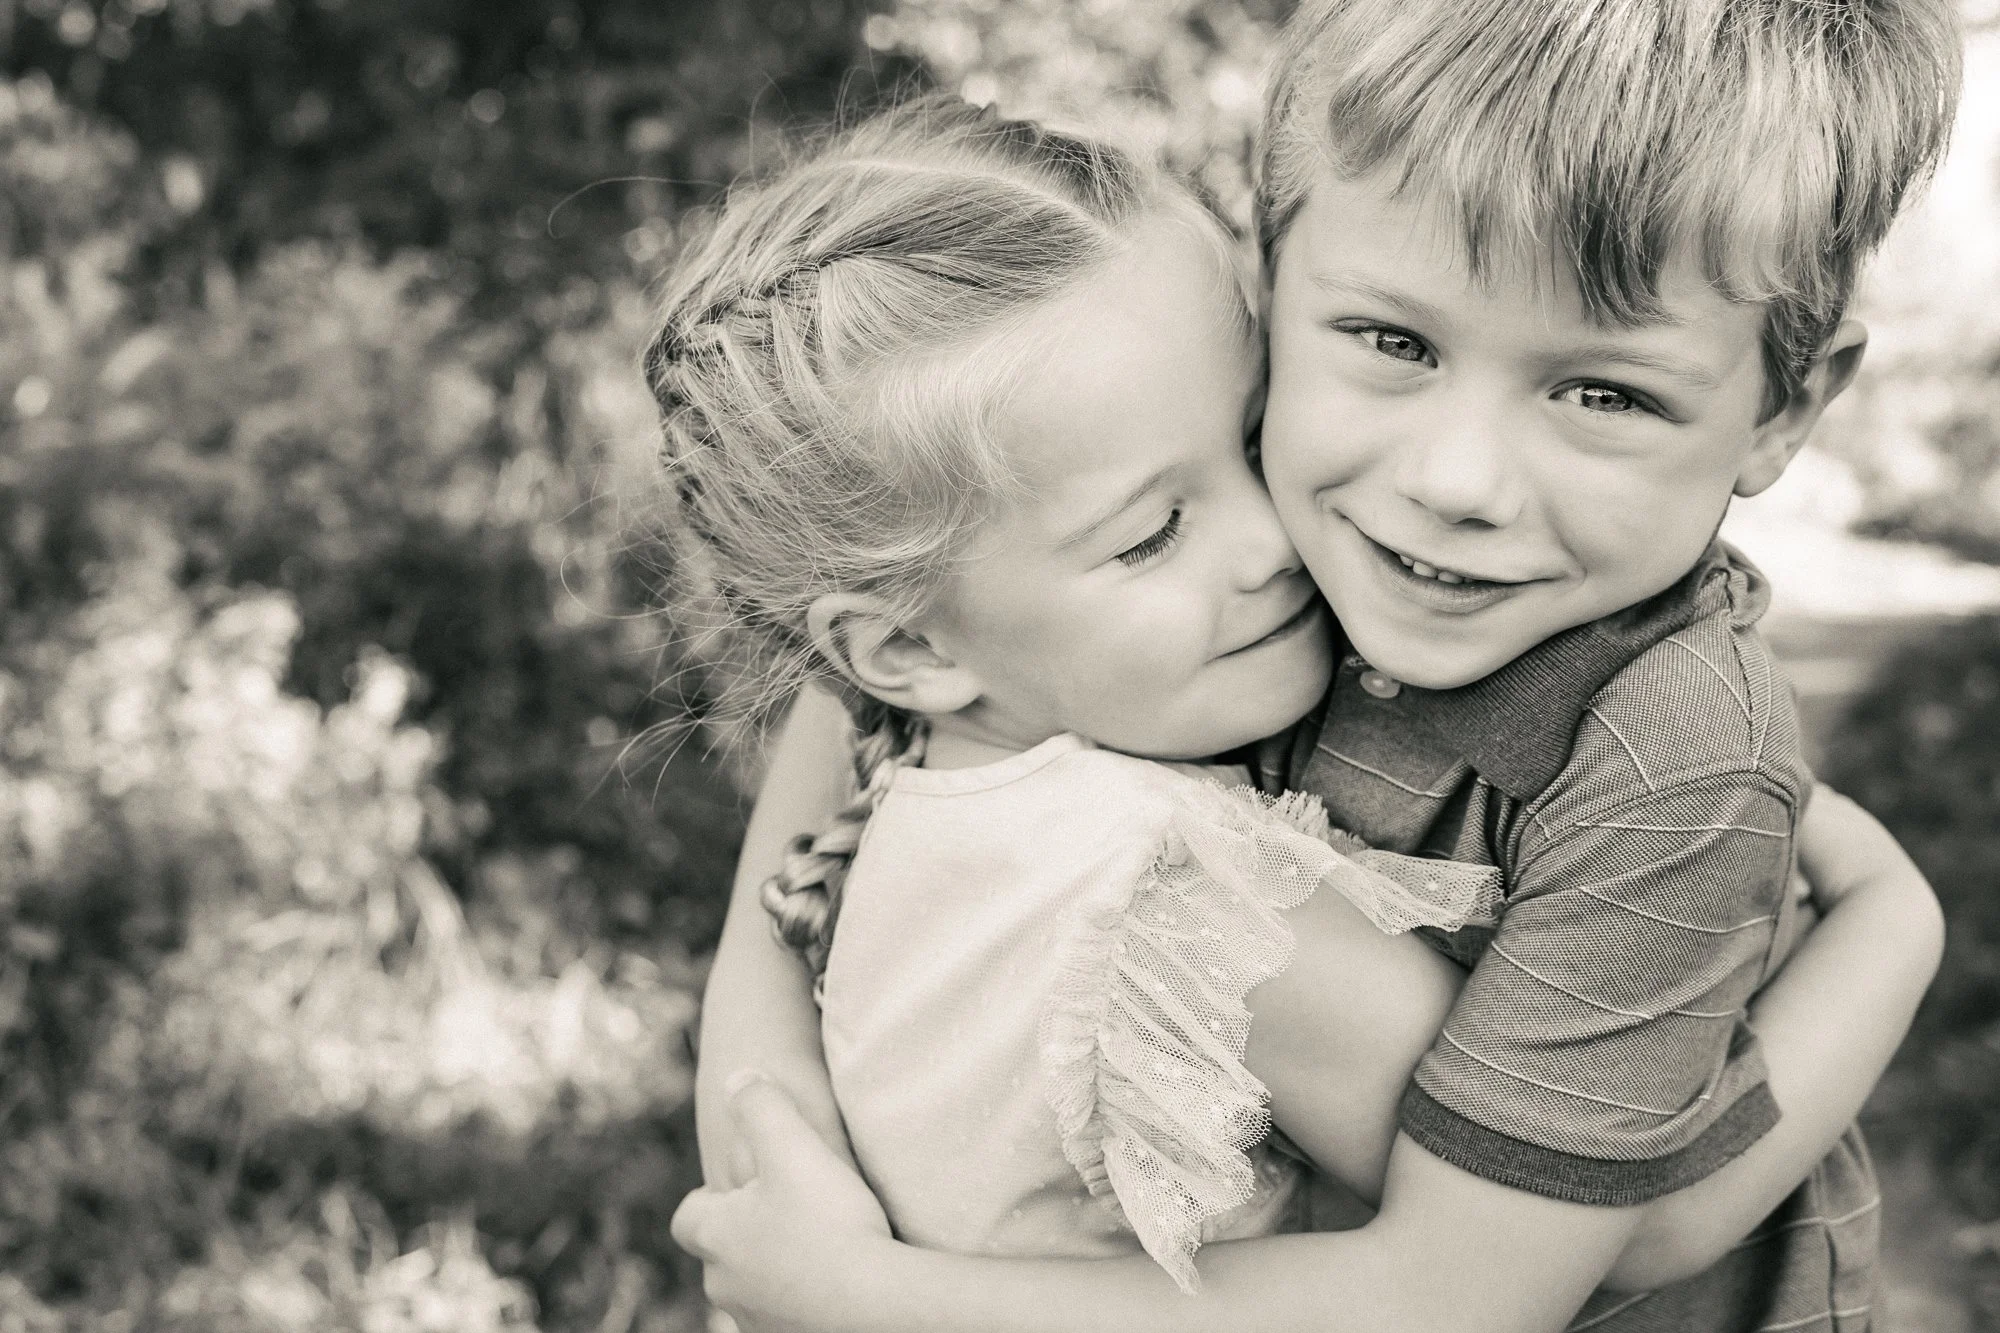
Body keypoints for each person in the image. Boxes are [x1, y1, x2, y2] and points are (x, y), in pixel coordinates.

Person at [671, 0, 1960, 1330]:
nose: (1451, 485)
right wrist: (804, 1238)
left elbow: (1577, 1250)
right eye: (1395, 343)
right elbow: (812, 815)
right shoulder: (1242, 565)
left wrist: (1892, 921)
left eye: (1605, 392)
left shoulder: (1653, 749)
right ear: (1274, 282)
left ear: (1787, 406)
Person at [647, 95, 1511, 1289]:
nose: (1270, 540)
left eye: (1255, 436)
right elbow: (1587, 1222)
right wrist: (1869, 930)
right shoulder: (1183, 901)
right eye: (1151, 533)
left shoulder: (917, 765)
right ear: (899, 651)